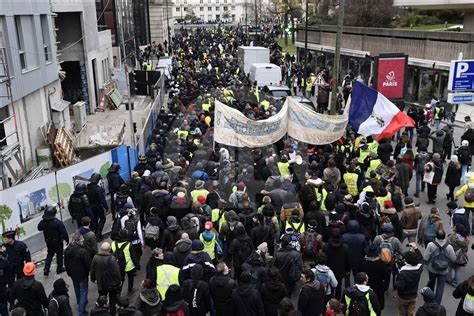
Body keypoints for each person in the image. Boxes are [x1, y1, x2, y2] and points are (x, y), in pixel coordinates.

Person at [423, 230, 456, 304]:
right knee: (440, 288)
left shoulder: (431, 245)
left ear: (436, 236)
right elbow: (453, 259)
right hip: (444, 270)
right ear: (444, 237)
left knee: (431, 284)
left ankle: (429, 300)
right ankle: (437, 304)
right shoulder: (449, 247)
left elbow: (425, 257)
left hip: (432, 269)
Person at [64, 232, 91, 316]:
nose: (83, 240)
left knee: (77, 289)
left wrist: (69, 273)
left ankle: (80, 303)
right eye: (82, 238)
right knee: (83, 291)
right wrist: (89, 271)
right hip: (82, 275)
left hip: (73, 274)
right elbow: (88, 264)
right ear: (78, 240)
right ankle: (81, 311)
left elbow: (66, 263)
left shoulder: (67, 250)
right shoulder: (82, 251)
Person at [91, 242, 122, 315]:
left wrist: (93, 279)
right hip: (111, 284)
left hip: (101, 283)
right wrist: (119, 281)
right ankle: (112, 313)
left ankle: (99, 312)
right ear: (109, 249)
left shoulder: (95, 257)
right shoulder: (112, 259)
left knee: (101, 299)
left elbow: (92, 269)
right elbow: (116, 272)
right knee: (112, 300)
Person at [37, 205, 69, 276]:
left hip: (48, 241)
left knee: (50, 254)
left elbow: (39, 228)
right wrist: (67, 239)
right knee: (59, 254)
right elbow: (64, 232)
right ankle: (59, 268)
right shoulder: (57, 222)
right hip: (57, 241)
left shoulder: (43, 222)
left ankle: (46, 268)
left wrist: (44, 221)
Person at [394, 244, 424, 316]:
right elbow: (421, 259)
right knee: (411, 313)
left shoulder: (403, 272)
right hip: (413, 295)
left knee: (402, 313)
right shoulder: (419, 268)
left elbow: (400, 286)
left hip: (403, 297)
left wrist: (396, 283)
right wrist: (416, 248)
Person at [358, 243, 387, 311]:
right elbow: (385, 276)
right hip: (378, 288)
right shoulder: (381, 264)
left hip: (365, 288)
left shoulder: (362, 262)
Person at [323, 229, 350, 300]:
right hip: (340, 270)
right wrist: (348, 269)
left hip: (329, 269)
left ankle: (331, 301)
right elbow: (347, 260)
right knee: (339, 285)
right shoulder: (345, 247)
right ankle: (337, 300)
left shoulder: (326, 247)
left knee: (330, 286)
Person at [87, 173, 108, 239]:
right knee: (102, 219)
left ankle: (95, 232)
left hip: (90, 206)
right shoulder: (98, 189)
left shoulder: (88, 187)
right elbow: (102, 199)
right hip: (97, 206)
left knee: (95, 220)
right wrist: (106, 206)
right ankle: (98, 233)